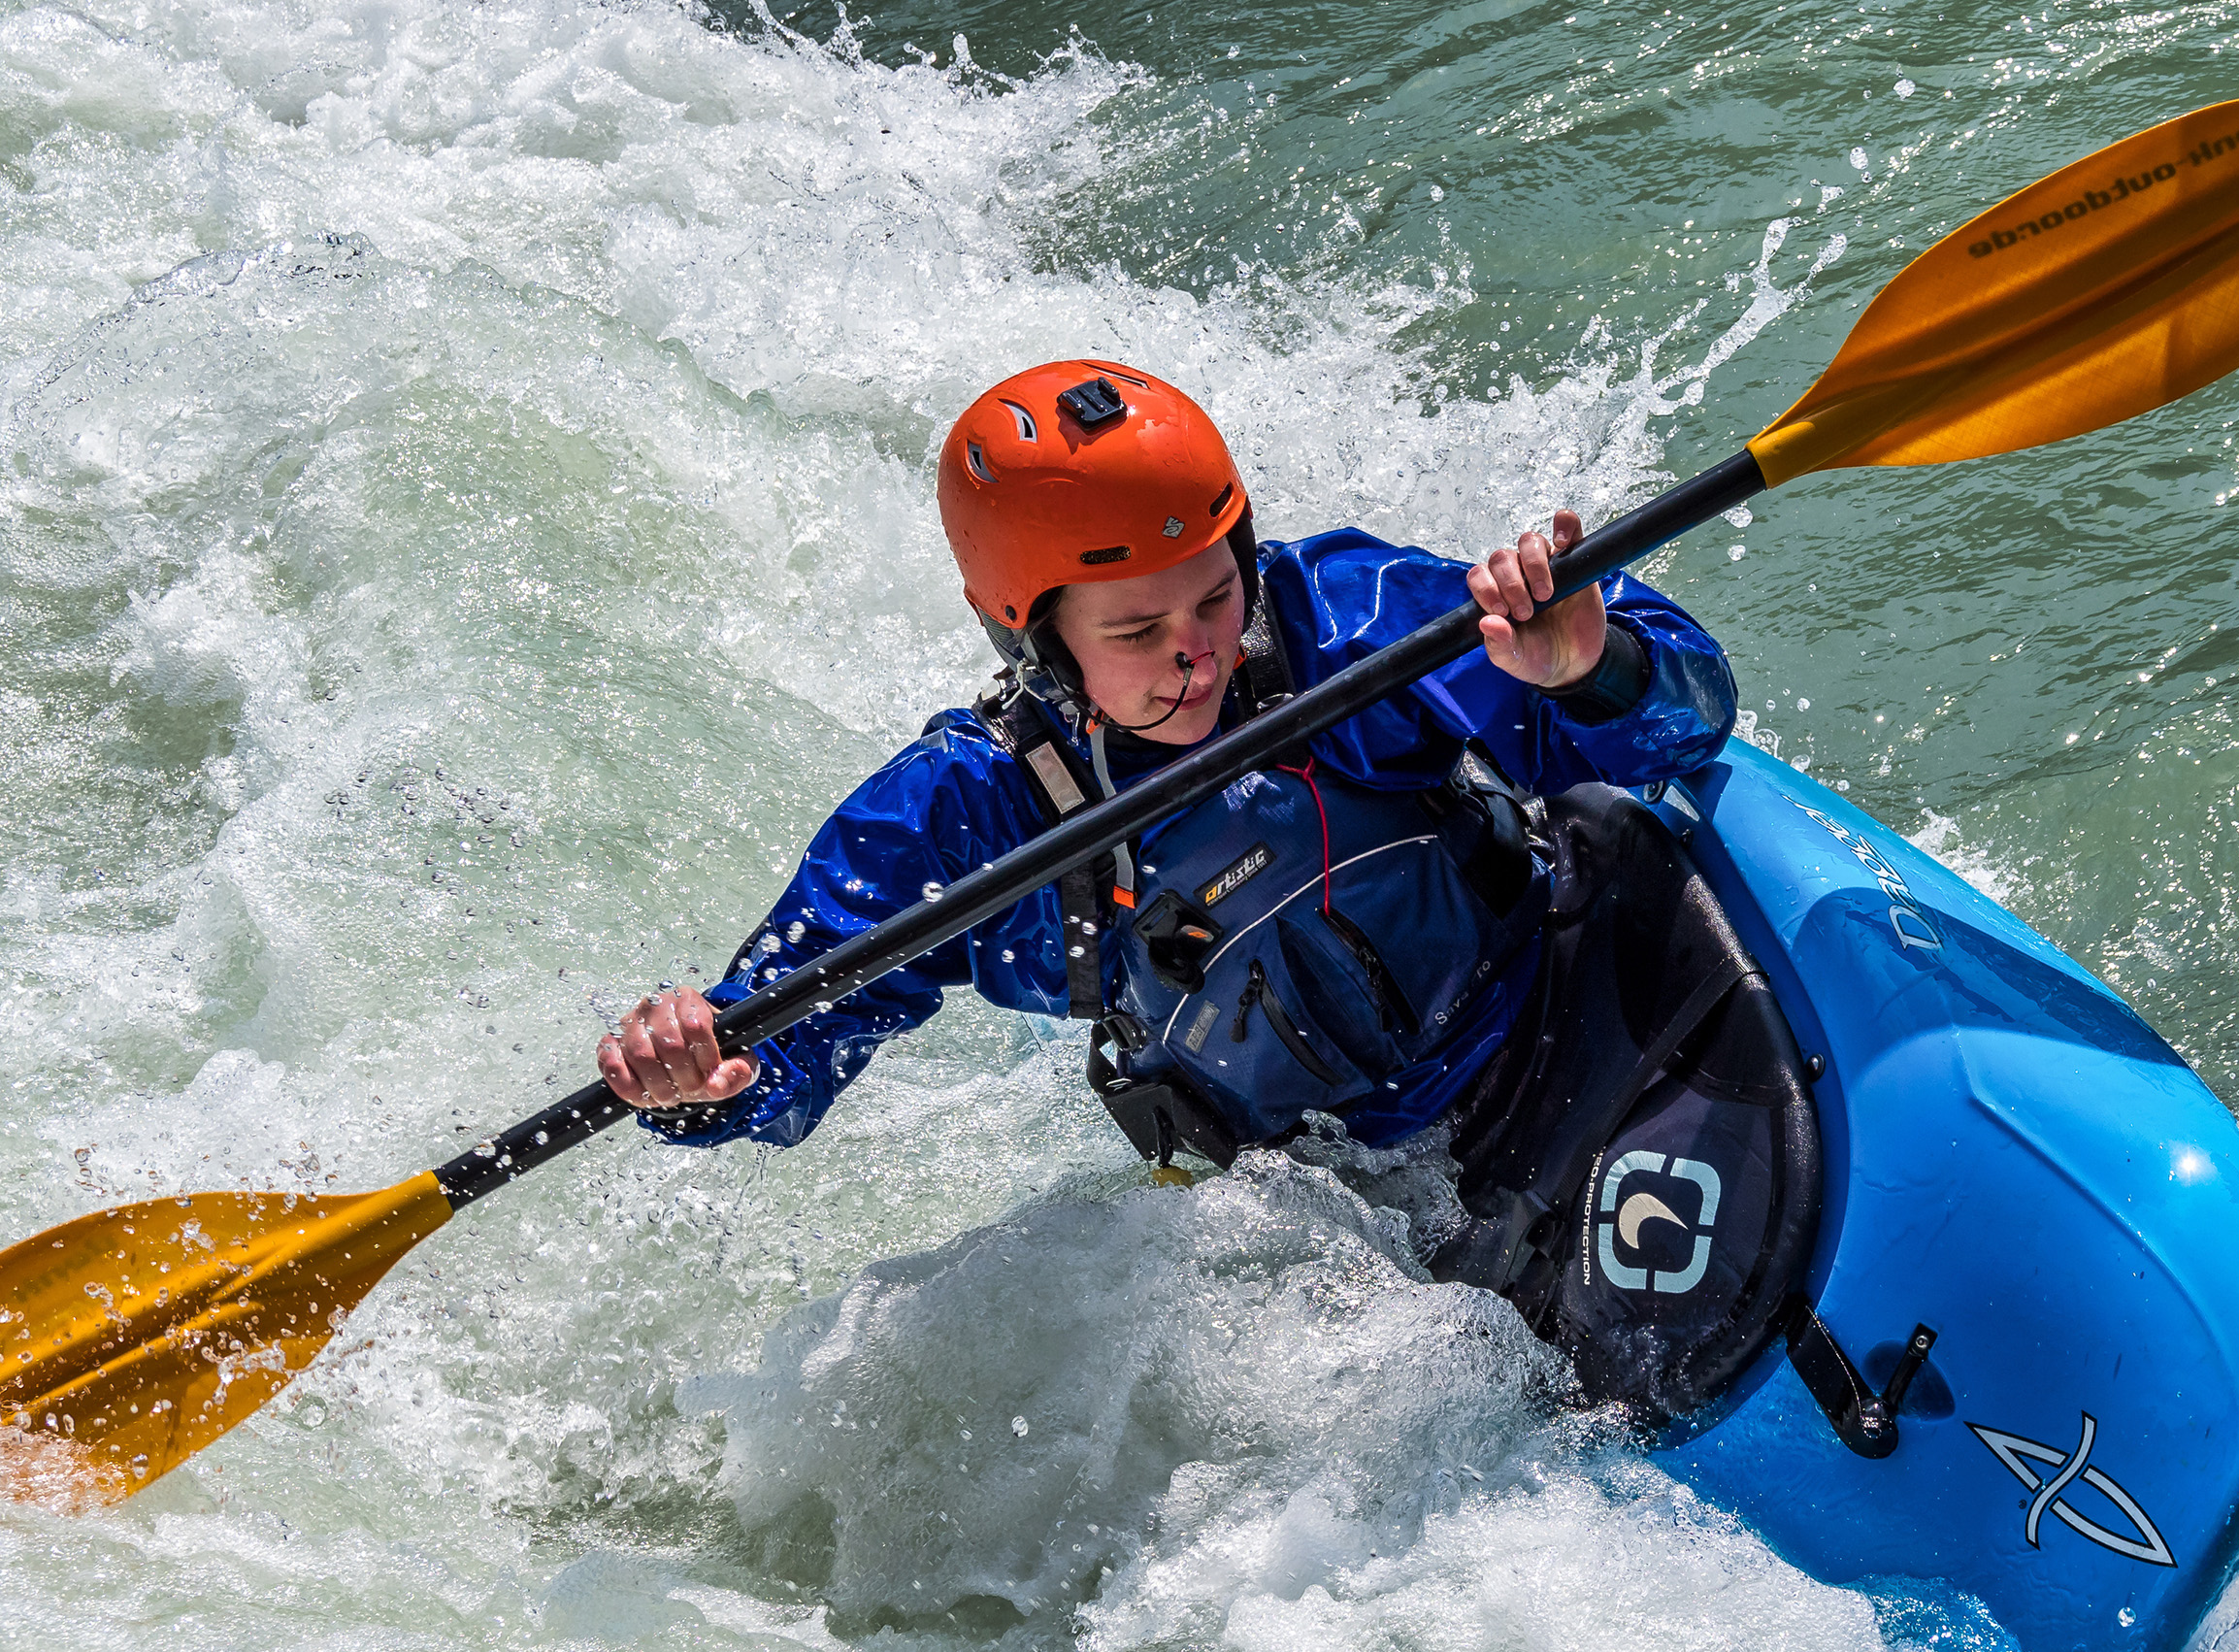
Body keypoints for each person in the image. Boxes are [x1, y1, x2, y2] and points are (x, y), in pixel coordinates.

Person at [595, 358, 1739, 1168]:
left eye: (1213, 594)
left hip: (1563, 1009)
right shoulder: (970, 811)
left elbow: (1682, 729)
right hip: (1339, 1196)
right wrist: (699, 1081)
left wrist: (1594, 664)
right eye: (1136, 634)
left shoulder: (1339, 621)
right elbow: (780, 1046)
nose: (1196, 651)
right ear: (1035, 640)